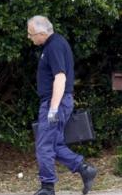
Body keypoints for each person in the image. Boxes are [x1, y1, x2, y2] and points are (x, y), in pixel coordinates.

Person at [27, 16, 97, 195]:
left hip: (55, 101)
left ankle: (48, 187)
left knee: (43, 145)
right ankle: (84, 169)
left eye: (31, 33)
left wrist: (53, 108)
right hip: (56, 101)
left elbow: (60, 77)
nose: (29, 37)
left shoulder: (54, 45)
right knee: (54, 144)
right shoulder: (52, 45)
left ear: (42, 33)